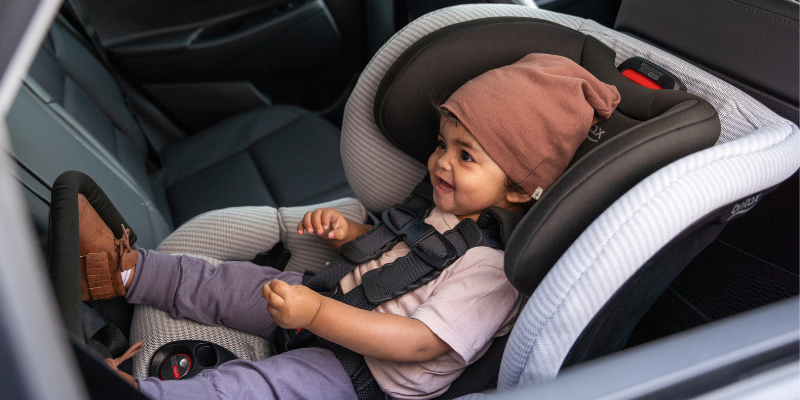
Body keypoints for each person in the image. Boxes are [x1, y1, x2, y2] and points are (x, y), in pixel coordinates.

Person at [79, 53, 620, 400]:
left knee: (262, 389)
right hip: (331, 303)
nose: (440, 163)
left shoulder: (492, 269)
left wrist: (317, 314)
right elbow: (404, 258)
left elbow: (419, 343)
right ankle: (125, 274)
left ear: (520, 189)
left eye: (466, 156)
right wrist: (351, 237)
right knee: (233, 282)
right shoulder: (443, 210)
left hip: (361, 376)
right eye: (440, 144)